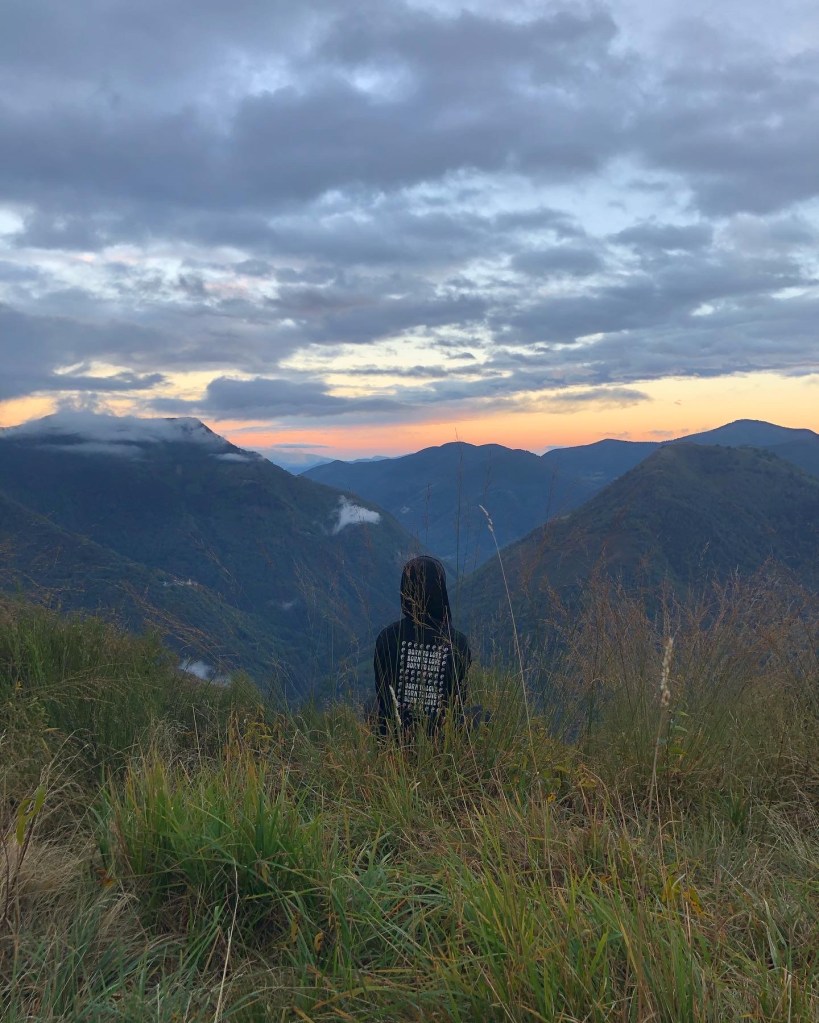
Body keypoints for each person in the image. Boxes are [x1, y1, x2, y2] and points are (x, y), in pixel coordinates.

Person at [373, 556, 471, 735]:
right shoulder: (458, 642)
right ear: (440, 591)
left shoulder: (387, 637)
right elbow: (460, 698)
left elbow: (382, 693)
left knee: (370, 705)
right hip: (442, 737)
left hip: (394, 736)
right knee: (481, 715)